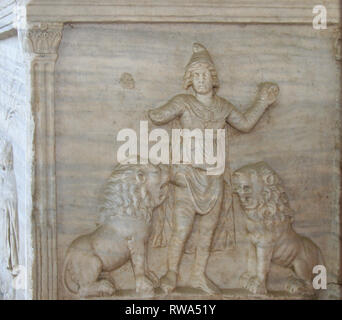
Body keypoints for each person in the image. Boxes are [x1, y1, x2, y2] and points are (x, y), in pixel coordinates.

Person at [148, 43, 279, 294]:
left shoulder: (223, 106)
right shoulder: (183, 102)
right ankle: (171, 274)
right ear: (189, 79)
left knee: (207, 231)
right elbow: (157, 117)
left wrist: (262, 102)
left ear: (213, 78)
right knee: (182, 230)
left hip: (213, 178)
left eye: (205, 74)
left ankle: (198, 275)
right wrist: (158, 111)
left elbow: (245, 124)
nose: (200, 80)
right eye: (195, 75)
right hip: (187, 176)